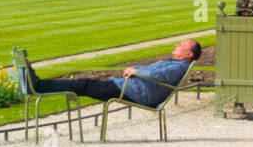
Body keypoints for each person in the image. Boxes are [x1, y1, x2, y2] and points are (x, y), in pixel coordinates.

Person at [26, 40, 200, 105]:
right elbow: (153, 73)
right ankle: (39, 85)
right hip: (131, 87)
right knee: (85, 84)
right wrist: (136, 70)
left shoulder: (179, 66)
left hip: (135, 93)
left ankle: (39, 86)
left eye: (181, 46)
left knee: (84, 84)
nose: (177, 45)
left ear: (188, 54)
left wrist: (135, 71)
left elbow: (156, 76)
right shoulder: (175, 63)